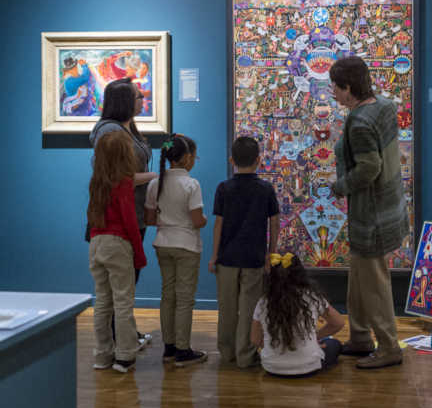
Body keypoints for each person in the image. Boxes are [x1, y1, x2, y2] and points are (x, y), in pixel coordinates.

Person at [329, 56, 409, 370]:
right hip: (388, 207)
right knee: (360, 277)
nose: (333, 92)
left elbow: (369, 167)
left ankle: (389, 347)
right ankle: (361, 337)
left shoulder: (359, 121)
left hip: (371, 214)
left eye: (336, 86)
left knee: (373, 282)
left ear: (348, 88)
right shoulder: (385, 106)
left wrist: (340, 186)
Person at [90, 77, 156, 349]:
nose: (142, 100)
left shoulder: (127, 128)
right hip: (120, 216)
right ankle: (120, 344)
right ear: (124, 101)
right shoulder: (109, 132)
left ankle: (123, 337)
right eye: (138, 97)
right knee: (119, 288)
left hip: (135, 211)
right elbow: (118, 176)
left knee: (125, 285)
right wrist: (151, 176)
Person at [208, 136, 280, 369]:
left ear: (232, 160)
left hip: (227, 258)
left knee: (226, 308)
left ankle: (226, 352)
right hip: (254, 257)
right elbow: (275, 222)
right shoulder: (265, 189)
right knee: (250, 308)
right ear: (259, 160)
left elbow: (218, 223)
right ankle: (246, 355)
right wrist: (271, 253)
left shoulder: (223, 188)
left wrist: (214, 256)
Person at [144, 133, 208, 367]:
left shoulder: (155, 183)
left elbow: (150, 219)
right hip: (187, 245)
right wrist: (205, 220)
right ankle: (183, 350)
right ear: (187, 157)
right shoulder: (191, 184)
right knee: (184, 299)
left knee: (167, 296)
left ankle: (169, 347)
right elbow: (196, 220)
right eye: (194, 156)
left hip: (162, 243)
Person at [87, 130, 148, 373]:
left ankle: (102, 354)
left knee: (102, 301)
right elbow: (130, 221)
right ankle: (125, 355)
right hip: (118, 244)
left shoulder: (97, 181)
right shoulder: (123, 183)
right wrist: (139, 252)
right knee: (123, 302)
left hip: (96, 242)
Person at [251, 252, 347, 377]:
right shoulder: (312, 296)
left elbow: (255, 339)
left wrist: (273, 349)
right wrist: (316, 337)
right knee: (335, 344)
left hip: (272, 367)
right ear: (300, 274)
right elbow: (338, 323)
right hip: (309, 366)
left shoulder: (263, 302)